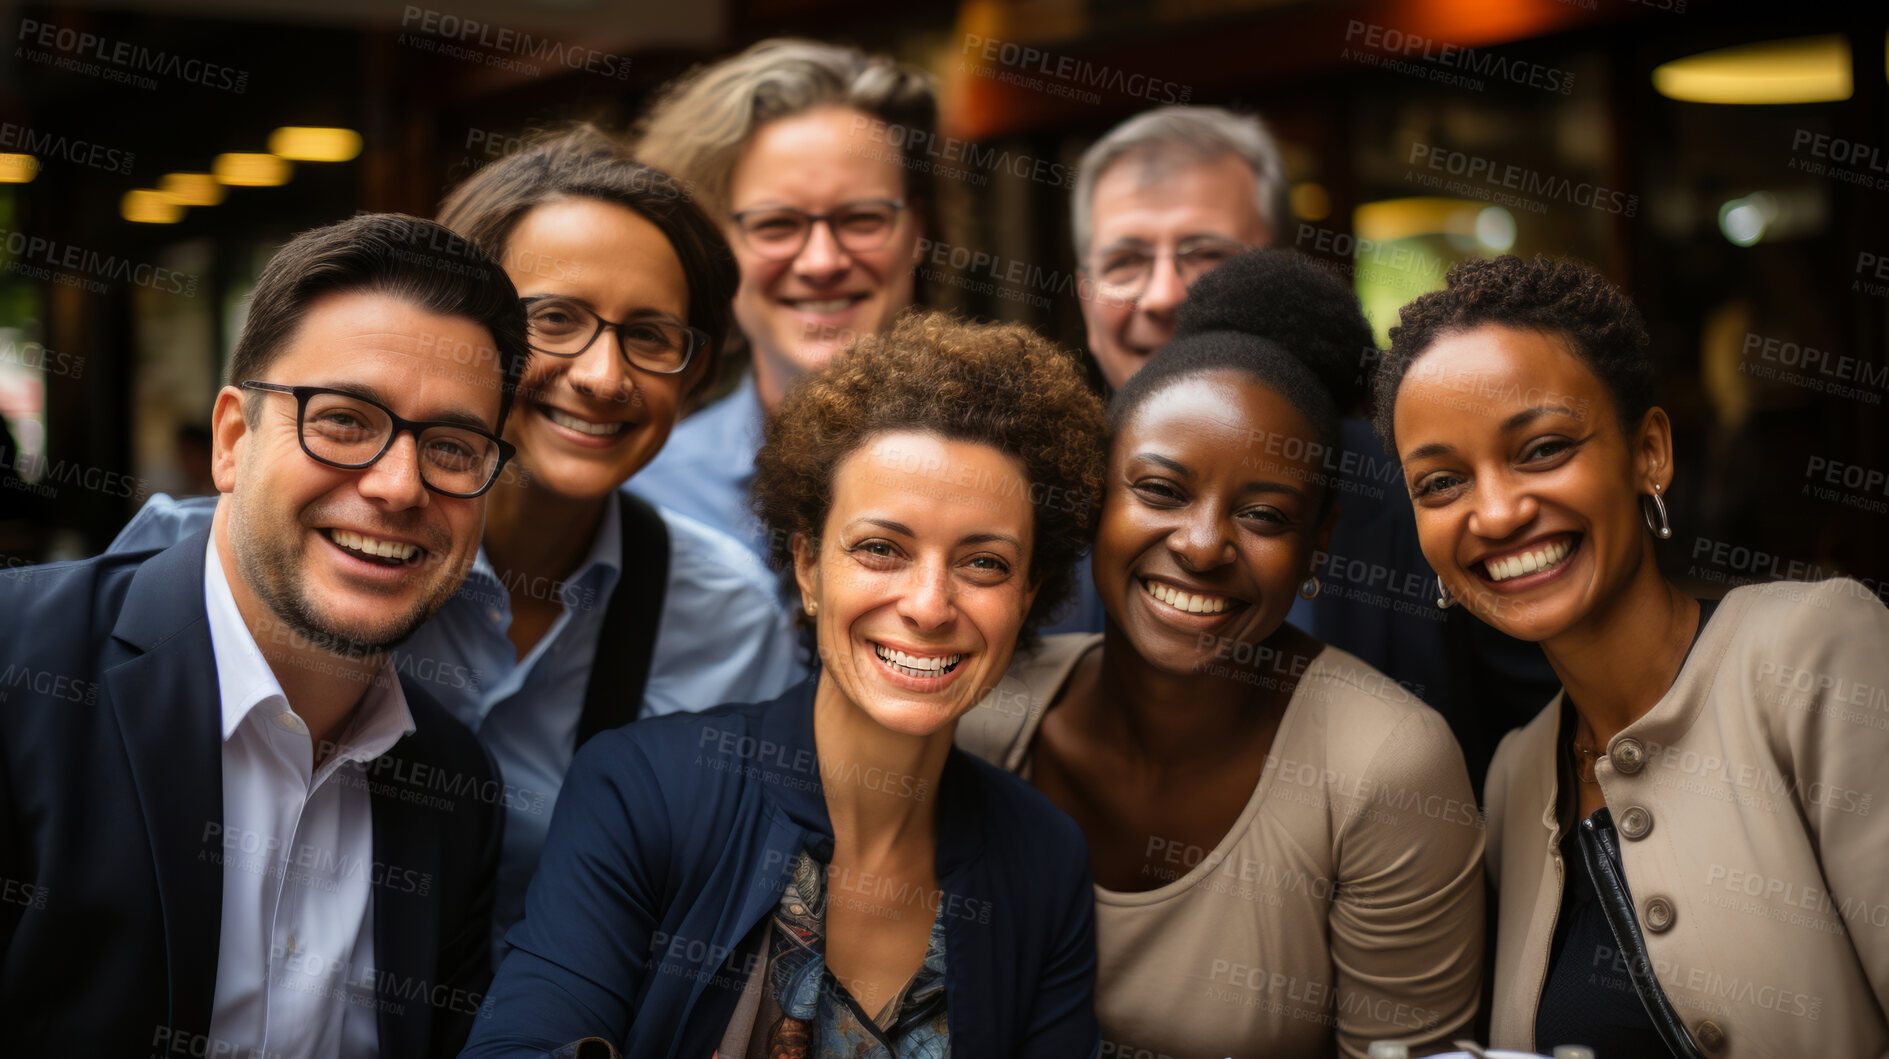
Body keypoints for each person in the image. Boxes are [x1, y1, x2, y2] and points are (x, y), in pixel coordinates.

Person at [105, 127, 803, 955]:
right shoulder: (232, 563)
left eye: (650, 336)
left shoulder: (725, 616)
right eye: (555, 319)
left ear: (693, 371)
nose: (603, 376)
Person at [462, 311, 1107, 1057]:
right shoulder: (642, 789)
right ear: (806, 565)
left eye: (984, 563)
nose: (930, 604)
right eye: (879, 548)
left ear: (1029, 594)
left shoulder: (1043, 858)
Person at [0, 213, 519, 1056]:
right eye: (345, 420)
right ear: (233, 439)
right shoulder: (20, 662)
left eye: (453, 446)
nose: (397, 485)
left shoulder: (454, 784)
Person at [959, 250, 1484, 1058]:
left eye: (1265, 516)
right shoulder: (983, 714)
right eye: (1161, 491)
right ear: (1093, 496)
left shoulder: (1385, 769)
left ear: (1318, 546)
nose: (1203, 547)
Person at [1374, 254, 1889, 1057]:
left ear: (1648, 451)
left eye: (1542, 447)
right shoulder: (1513, 776)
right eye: (1439, 483)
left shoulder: (1814, 649)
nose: (1497, 512)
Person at [1074, 106, 1555, 786]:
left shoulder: (1424, 490)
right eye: (1123, 261)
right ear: (1082, 290)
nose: (1162, 296)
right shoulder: (1024, 502)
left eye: (1205, 257)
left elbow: (1555, 743)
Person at [625, 38, 934, 569]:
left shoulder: (1025, 488)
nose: (821, 262)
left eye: (862, 219)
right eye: (776, 225)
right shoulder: (639, 490)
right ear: (718, 249)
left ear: (917, 234)